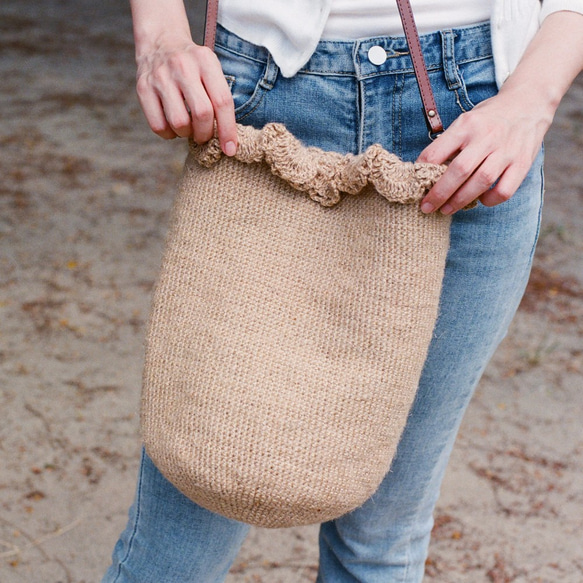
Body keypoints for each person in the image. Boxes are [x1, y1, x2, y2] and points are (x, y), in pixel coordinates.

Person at [102, 1, 583, 581]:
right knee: (179, 537)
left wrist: (534, 99)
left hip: (478, 128)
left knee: (381, 542)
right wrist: (158, 35)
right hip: (267, 101)